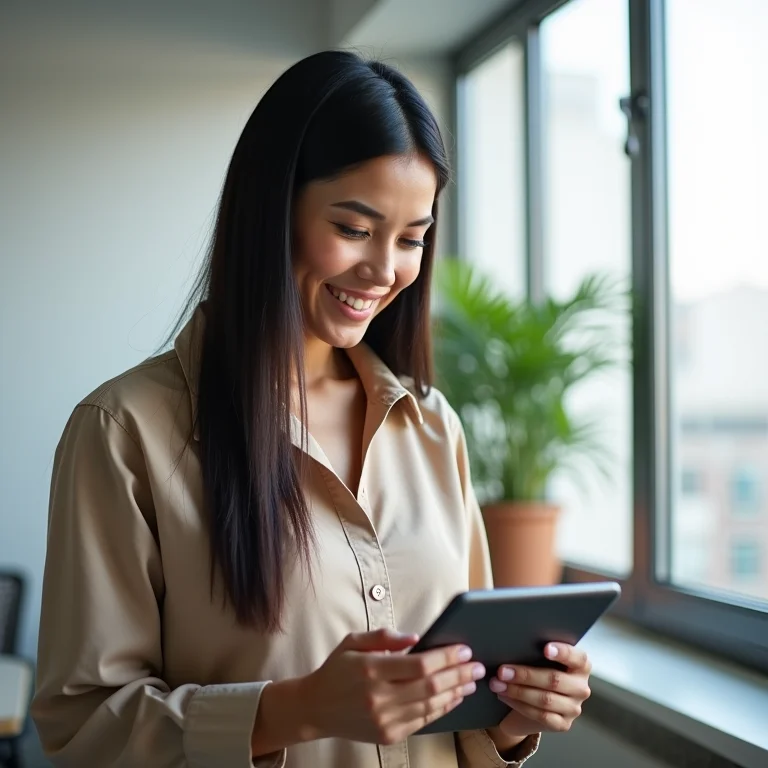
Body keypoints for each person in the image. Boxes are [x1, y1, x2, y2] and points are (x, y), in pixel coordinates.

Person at [31, 50, 592, 768]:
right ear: (274, 210)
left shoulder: (431, 426)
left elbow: (466, 700)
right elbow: (84, 729)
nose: (385, 270)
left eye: (412, 238)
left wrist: (514, 715)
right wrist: (299, 710)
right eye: (354, 229)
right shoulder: (124, 433)